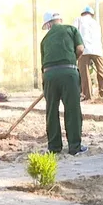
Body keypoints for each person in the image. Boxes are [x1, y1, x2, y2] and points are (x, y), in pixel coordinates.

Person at [40, 11, 87, 155]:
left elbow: (43, 65)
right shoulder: (71, 29)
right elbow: (80, 49)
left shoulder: (44, 40)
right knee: (72, 109)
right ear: (60, 20)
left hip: (49, 75)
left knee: (51, 111)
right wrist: (71, 59)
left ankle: (54, 147)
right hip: (69, 72)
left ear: (48, 25)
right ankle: (74, 146)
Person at [72, 6, 103, 101]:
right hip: (97, 50)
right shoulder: (96, 23)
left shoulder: (78, 20)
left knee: (84, 73)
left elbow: (73, 32)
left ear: (82, 13)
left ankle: (87, 95)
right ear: (92, 14)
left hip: (84, 49)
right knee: (101, 71)